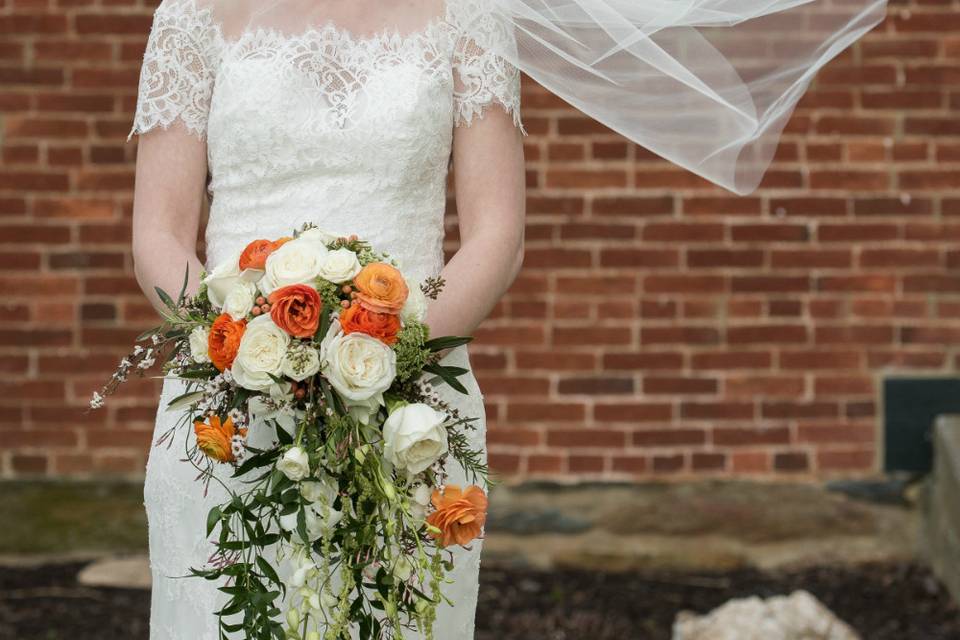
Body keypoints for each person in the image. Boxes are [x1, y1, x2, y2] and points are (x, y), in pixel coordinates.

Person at [130, 0, 526, 637]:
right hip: (231, 403)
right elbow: (157, 232)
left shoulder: (471, 15)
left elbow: (498, 235)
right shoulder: (192, 15)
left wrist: (392, 356)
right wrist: (241, 349)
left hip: (409, 410)